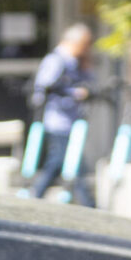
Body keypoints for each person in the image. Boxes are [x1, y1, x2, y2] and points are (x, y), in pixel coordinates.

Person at [27, 24, 94, 206]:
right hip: (58, 122)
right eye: (85, 44)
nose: (87, 49)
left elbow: (89, 81)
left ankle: (35, 197)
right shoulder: (56, 60)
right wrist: (73, 93)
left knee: (57, 162)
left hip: (70, 121)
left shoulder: (74, 61)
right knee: (69, 163)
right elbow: (45, 87)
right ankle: (90, 206)